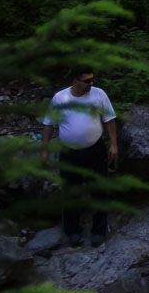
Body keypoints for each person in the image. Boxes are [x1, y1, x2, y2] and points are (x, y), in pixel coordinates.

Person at [40, 65, 119, 247]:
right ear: (75, 81)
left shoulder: (99, 94)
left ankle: (98, 231)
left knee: (99, 189)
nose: (91, 84)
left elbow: (109, 119)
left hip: (95, 150)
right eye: (87, 81)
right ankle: (72, 232)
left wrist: (113, 144)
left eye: (92, 80)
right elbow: (48, 124)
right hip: (70, 153)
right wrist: (44, 149)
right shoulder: (60, 98)